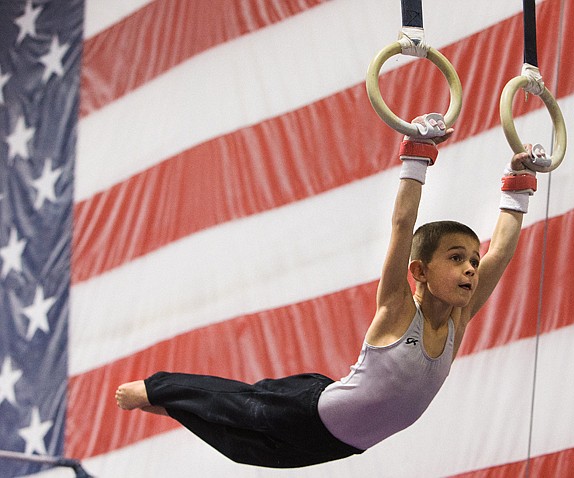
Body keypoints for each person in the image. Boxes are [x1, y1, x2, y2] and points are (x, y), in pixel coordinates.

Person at [115, 113, 539, 468]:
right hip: (309, 410)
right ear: (419, 271)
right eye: (455, 258)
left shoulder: (458, 320)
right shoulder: (396, 310)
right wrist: (416, 157)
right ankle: (154, 388)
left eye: (471, 261)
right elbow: (401, 227)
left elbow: (498, 251)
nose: (470, 269)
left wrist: (518, 183)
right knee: (240, 406)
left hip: (339, 446)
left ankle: (172, 405)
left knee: (240, 449)